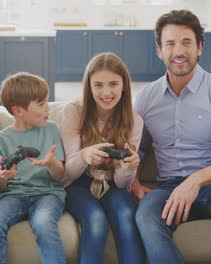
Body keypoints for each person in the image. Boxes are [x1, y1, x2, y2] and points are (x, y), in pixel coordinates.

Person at [133, 10, 211, 264]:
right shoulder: (146, 98)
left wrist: (195, 181)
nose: (178, 51)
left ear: (200, 48)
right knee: (145, 216)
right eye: (170, 43)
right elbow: (134, 150)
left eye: (187, 42)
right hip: (170, 188)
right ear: (159, 51)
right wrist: (134, 183)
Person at [61, 52, 146, 264]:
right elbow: (69, 173)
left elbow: (121, 182)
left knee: (126, 217)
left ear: (124, 85)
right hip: (78, 183)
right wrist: (84, 156)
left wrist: (128, 168)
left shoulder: (134, 120)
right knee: (96, 219)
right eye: (98, 85)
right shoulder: (73, 111)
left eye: (113, 84)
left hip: (113, 185)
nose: (106, 92)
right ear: (88, 86)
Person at [0, 72, 66, 264]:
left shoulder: (52, 129)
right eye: (41, 104)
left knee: (43, 222)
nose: (48, 108)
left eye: (47, 101)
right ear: (18, 111)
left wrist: (52, 162)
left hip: (48, 194)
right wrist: (2, 176)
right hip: (13, 195)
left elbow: (60, 176)